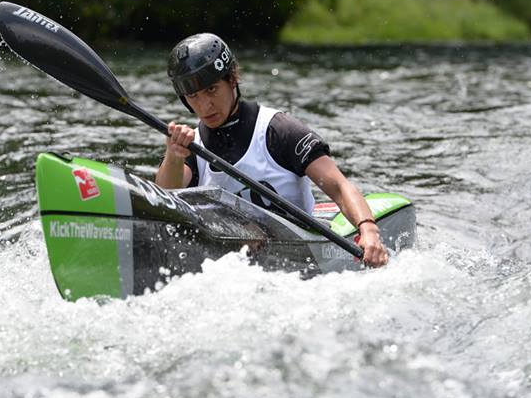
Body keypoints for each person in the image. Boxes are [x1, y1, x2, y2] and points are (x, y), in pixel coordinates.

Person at [155, 33, 389, 267]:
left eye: (212, 89)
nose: (204, 105)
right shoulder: (191, 145)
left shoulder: (278, 130)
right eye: (193, 96)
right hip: (231, 263)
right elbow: (164, 204)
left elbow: (338, 186)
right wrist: (174, 156)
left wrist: (368, 229)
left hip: (297, 261)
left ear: (232, 79)